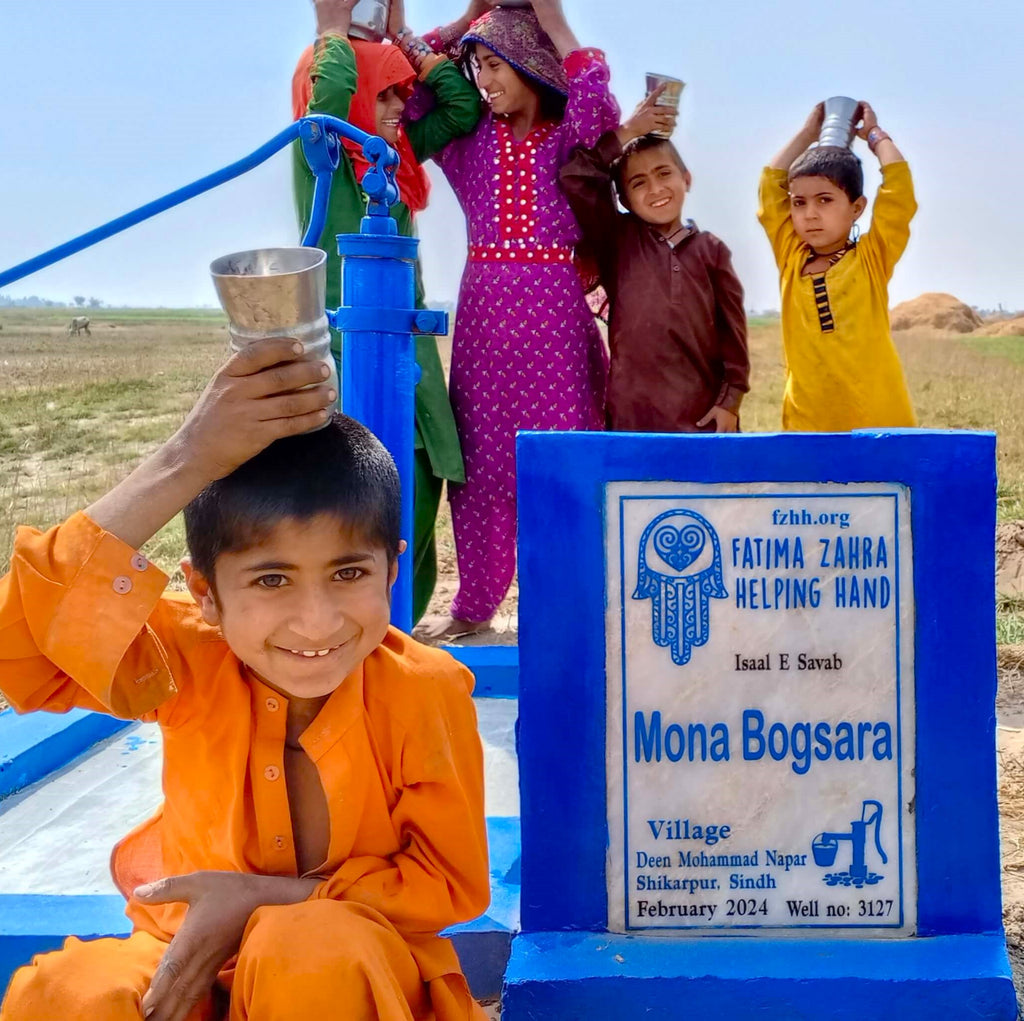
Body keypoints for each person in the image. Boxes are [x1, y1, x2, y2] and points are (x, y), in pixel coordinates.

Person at [0, 339, 490, 1021]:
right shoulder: (186, 657)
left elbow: (447, 884)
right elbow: (19, 649)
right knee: (69, 993)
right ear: (203, 592)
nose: (316, 624)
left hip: (351, 975)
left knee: (310, 947)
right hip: (185, 953)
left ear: (392, 568)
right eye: (270, 579)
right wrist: (187, 457)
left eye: (348, 572)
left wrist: (261, 899)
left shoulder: (424, 690)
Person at [402, 0, 619, 642]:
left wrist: (550, 16)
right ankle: (475, 605)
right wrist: (466, 20)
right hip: (485, 326)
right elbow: (415, 97)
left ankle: (573, 601)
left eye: (496, 66)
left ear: (530, 63)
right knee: (485, 464)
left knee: (564, 456)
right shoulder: (469, 141)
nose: (486, 82)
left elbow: (598, 100)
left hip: (556, 323)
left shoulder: (570, 136)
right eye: (479, 68)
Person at [292, 0, 483, 624]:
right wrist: (332, 32)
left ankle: (400, 636)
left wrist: (404, 40)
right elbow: (330, 102)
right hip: (350, 349)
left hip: (408, 348)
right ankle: (361, 639)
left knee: (420, 488)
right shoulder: (322, 160)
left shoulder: (389, 163)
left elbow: (460, 106)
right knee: (358, 502)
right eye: (387, 95)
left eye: (402, 94)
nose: (402, 108)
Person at [560, 89, 749, 433]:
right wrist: (628, 131)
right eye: (639, 182)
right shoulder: (618, 240)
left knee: (698, 489)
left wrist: (729, 403)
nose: (655, 189)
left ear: (686, 178)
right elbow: (575, 177)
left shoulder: (712, 250)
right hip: (632, 419)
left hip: (701, 420)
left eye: (664, 174)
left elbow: (733, 336)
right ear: (625, 200)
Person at [758, 101, 918, 431]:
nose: (810, 214)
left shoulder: (872, 258)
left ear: (857, 207)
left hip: (876, 420)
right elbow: (769, 186)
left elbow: (898, 193)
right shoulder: (791, 257)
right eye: (799, 203)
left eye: (825, 200)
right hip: (808, 424)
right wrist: (807, 134)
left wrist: (875, 136)